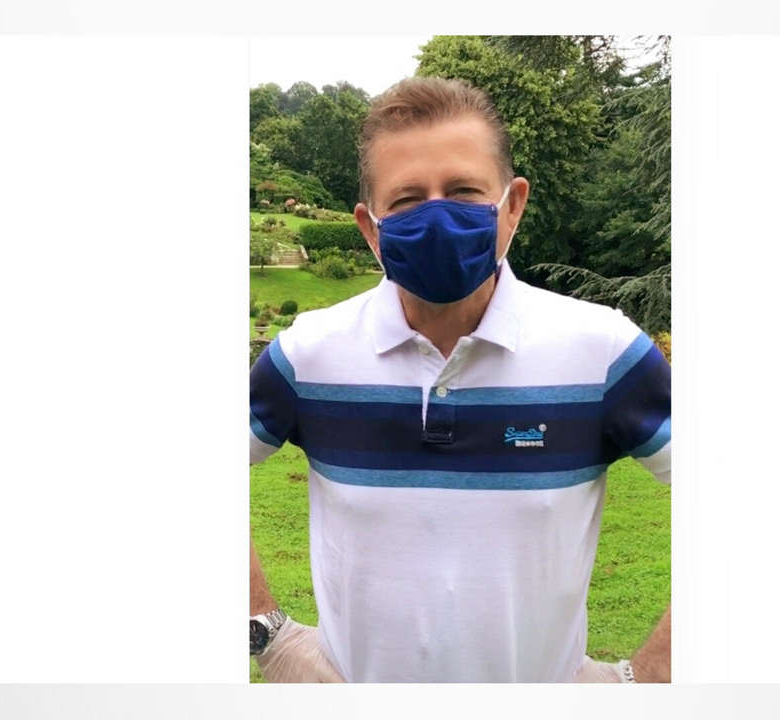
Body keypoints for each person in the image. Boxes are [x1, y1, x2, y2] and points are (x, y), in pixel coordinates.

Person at [248, 76, 671, 683]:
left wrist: (648, 678)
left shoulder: (604, 354)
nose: (438, 216)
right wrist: (269, 635)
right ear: (370, 228)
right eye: (407, 200)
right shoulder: (308, 356)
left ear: (512, 206)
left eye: (464, 191)